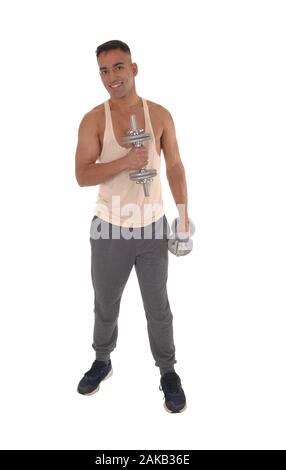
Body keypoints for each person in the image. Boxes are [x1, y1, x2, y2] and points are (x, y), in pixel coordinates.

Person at [75, 40, 191, 413]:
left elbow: (173, 165)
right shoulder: (94, 119)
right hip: (108, 228)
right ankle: (102, 360)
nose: (112, 77)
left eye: (119, 67)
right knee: (105, 303)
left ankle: (168, 371)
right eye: (104, 71)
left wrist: (183, 213)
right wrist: (125, 160)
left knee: (158, 306)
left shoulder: (159, 115)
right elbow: (82, 174)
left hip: (152, 227)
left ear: (134, 69)